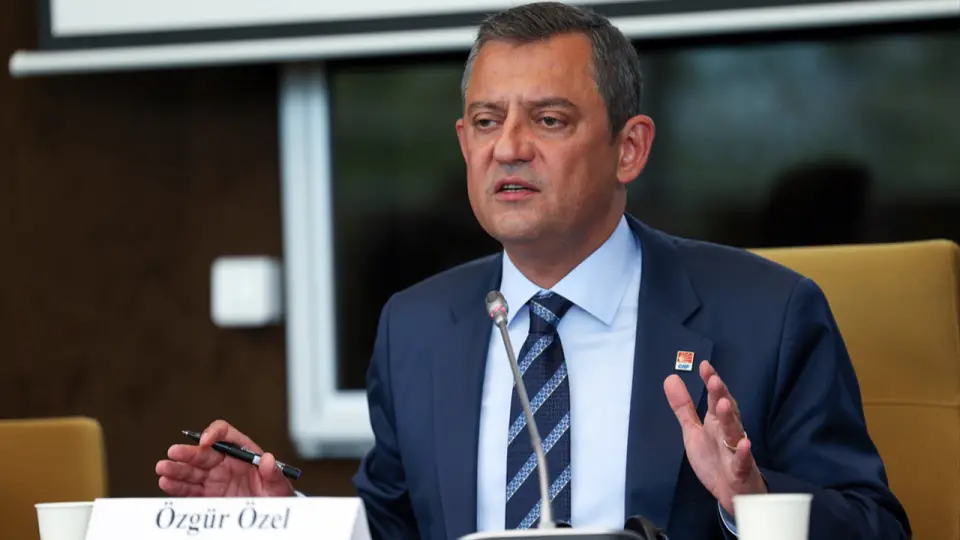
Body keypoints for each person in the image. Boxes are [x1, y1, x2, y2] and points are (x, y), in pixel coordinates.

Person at [155, 3, 911, 539]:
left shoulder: (767, 314)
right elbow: (395, 528)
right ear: (464, 143)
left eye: (548, 120)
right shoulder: (417, 327)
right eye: (487, 122)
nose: (509, 147)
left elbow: (875, 524)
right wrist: (285, 520)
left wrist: (753, 501)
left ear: (629, 149)